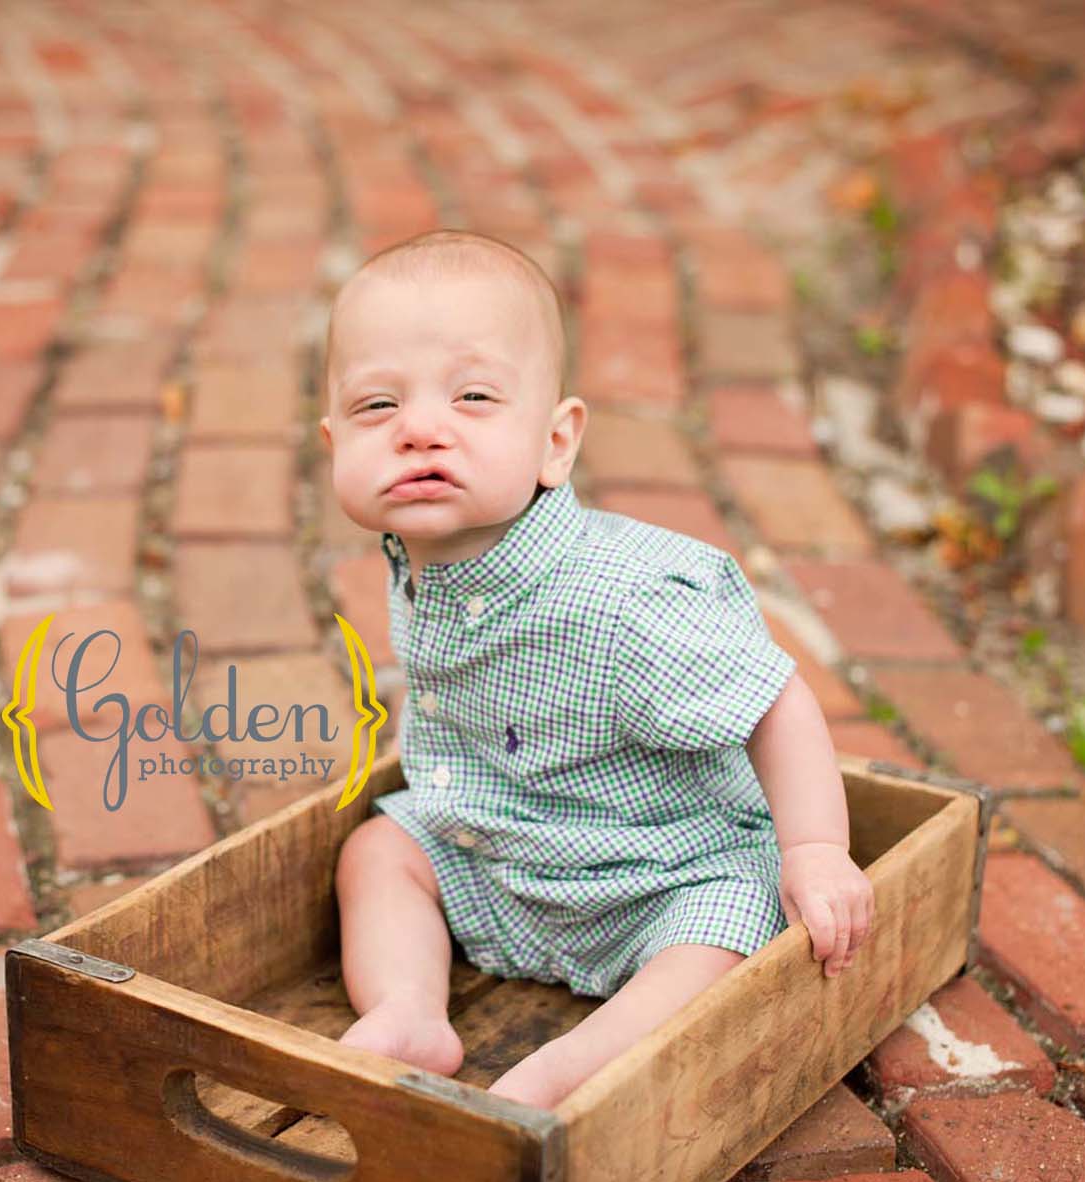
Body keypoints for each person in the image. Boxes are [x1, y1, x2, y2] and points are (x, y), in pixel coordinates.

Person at [315, 228, 874, 1112]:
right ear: (333, 439)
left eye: (473, 396)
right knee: (380, 851)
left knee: (726, 941)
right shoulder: (427, 560)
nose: (421, 428)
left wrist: (814, 850)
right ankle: (409, 1008)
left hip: (661, 874)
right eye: (377, 407)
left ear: (556, 440)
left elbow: (776, 700)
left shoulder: (632, 600)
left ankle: (563, 1073)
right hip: (502, 849)